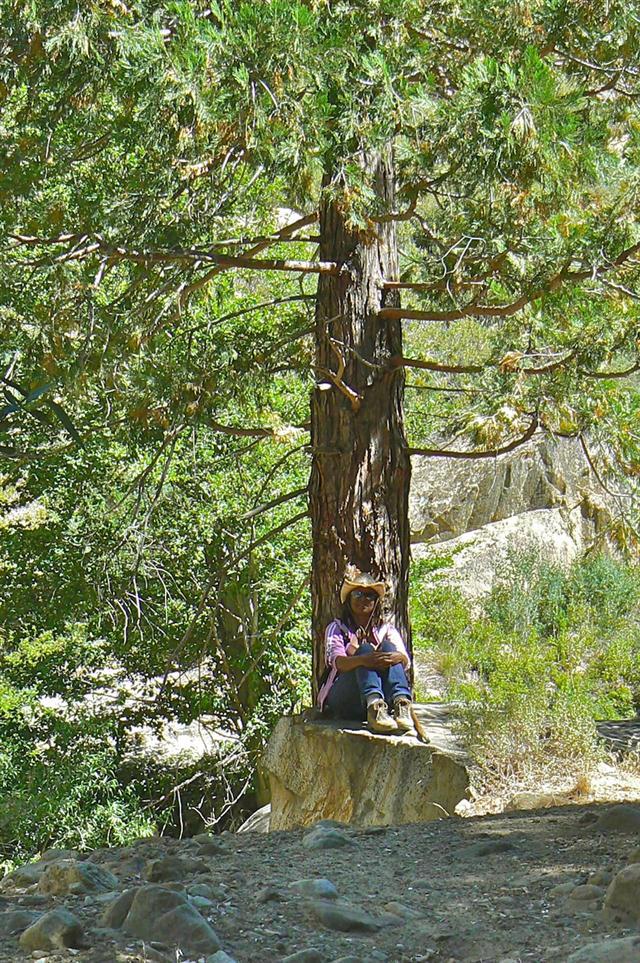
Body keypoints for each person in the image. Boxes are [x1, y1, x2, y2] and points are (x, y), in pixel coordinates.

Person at [316, 567, 414, 734]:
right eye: (357, 594)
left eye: (369, 596)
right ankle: (374, 704)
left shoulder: (386, 630)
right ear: (349, 599)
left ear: (376, 601)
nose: (363, 599)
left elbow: (404, 659)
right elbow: (337, 661)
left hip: (383, 698)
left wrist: (392, 657)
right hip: (345, 698)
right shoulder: (337, 628)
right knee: (365, 650)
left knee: (390, 650)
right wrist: (364, 659)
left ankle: (401, 703)